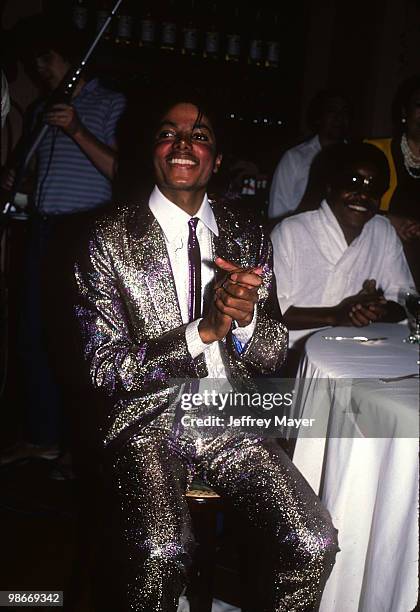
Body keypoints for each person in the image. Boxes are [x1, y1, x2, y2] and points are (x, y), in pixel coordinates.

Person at [74, 94, 338, 611]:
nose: (183, 143)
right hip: (145, 420)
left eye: (199, 136)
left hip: (231, 417)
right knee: (161, 550)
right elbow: (104, 369)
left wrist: (247, 320)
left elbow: (269, 353)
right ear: (152, 151)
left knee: (313, 542)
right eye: (168, 132)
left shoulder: (246, 231)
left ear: (215, 161)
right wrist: (203, 331)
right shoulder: (106, 237)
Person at [0, 20, 126, 465]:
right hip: (43, 227)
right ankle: (43, 436)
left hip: (86, 232)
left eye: (47, 57)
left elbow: (120, 173)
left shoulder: (112, 104)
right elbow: (43, 178)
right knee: (33, 333)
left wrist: (76, 129)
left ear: (74, 59)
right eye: (35, 60)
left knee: (81, 343)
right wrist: (20, 179)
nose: (40, 68)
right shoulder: (40, 111)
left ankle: (81, 450)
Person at [271, 142, 413, 350]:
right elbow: (269, 311)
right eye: (353, 181)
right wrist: (336, 315)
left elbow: (404, 299)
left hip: (355, 349)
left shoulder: (382, 232)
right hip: (291, 354)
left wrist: (375, 310)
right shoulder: (291, 232)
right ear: (331, 185)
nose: (363, 195)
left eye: (373, 187)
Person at [365, 75, 420, 285]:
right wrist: (388, 221)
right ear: (405, 111)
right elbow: (344, 205)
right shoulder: (374, 151)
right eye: (419, 105)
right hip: (379, 261)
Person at [268, 90, 350, 222]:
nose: (339, 118)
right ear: (319, 117)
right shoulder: (294, 158)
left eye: (344, 112)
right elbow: (277, 212)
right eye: (332, 111)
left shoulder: (355, 159)